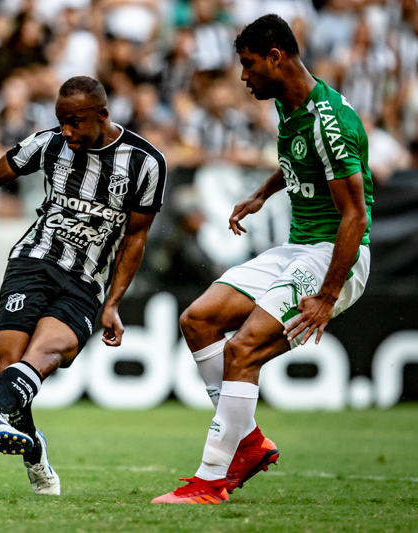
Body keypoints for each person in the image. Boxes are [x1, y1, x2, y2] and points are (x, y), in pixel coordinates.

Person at [152, 14, 372, 505]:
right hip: (299, 247)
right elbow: (298, 160)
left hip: (334, 253)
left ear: (275, 57)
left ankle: (210, 482)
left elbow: (355, 216)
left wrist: (327, 297)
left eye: (249, 65)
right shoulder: (292, 109)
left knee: (242, 351)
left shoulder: (328, 120)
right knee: (199, 319)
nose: (244, 77)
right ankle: (248, 442)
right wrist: (261, 194)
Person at [0, 76, 166, 496]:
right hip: (34, 260)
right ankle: (34, 454)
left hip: (86, 280)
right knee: (7, 362)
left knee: (47, 352)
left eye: (76, 123)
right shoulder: (48, 144)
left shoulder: (145, 162)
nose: (67, 132)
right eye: (61, 121)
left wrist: (114, 303)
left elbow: (136, 239)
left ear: (102, 115)